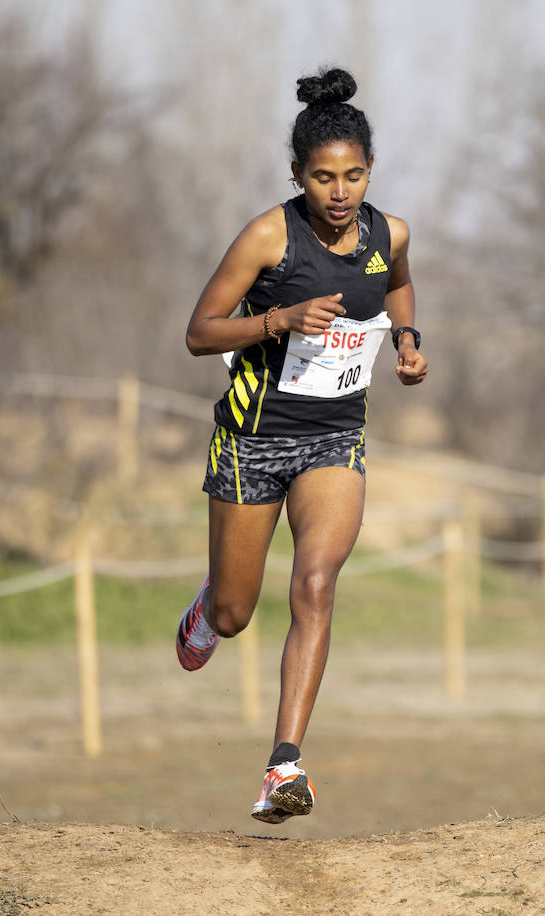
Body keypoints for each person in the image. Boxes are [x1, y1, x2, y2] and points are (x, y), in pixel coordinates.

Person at [175, 66, 427, 825]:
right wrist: (277, 321)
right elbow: (199, 333)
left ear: (370, 170)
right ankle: (206, 606)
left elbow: (397, 287)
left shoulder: (390, 234)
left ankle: (283, 766)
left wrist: (407, 339)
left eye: (353, 176)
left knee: (316, 583)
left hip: (334, 438)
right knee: (235, 614)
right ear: (297, 175)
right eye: (323, 178)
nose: (339, 192)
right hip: (252, 441)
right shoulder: (268, 236)